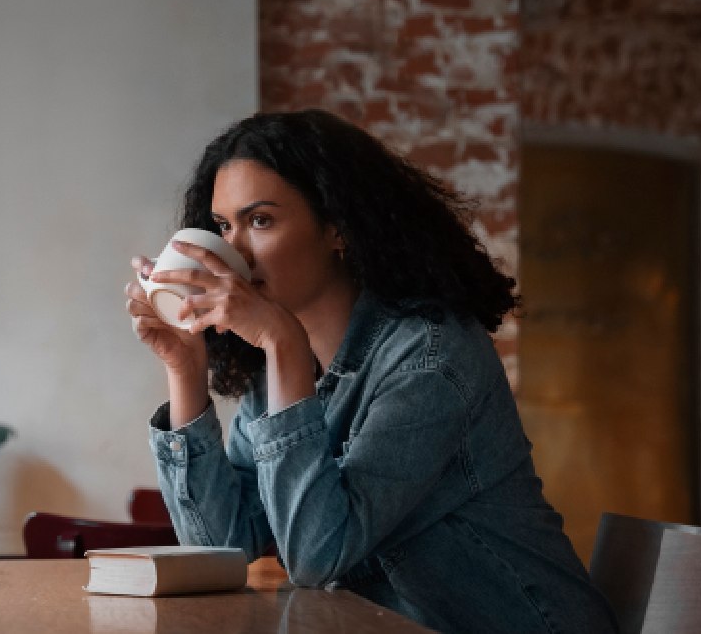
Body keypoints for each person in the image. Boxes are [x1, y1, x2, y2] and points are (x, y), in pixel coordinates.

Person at [123, 110, 617, 633]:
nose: (234, 251)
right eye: (224, 226)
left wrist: (283, 344)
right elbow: (222, 547)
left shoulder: (430, 357)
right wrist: (185, 369)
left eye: (260, 221)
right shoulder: (280, 371)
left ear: (338, 228)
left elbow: (315, 556)